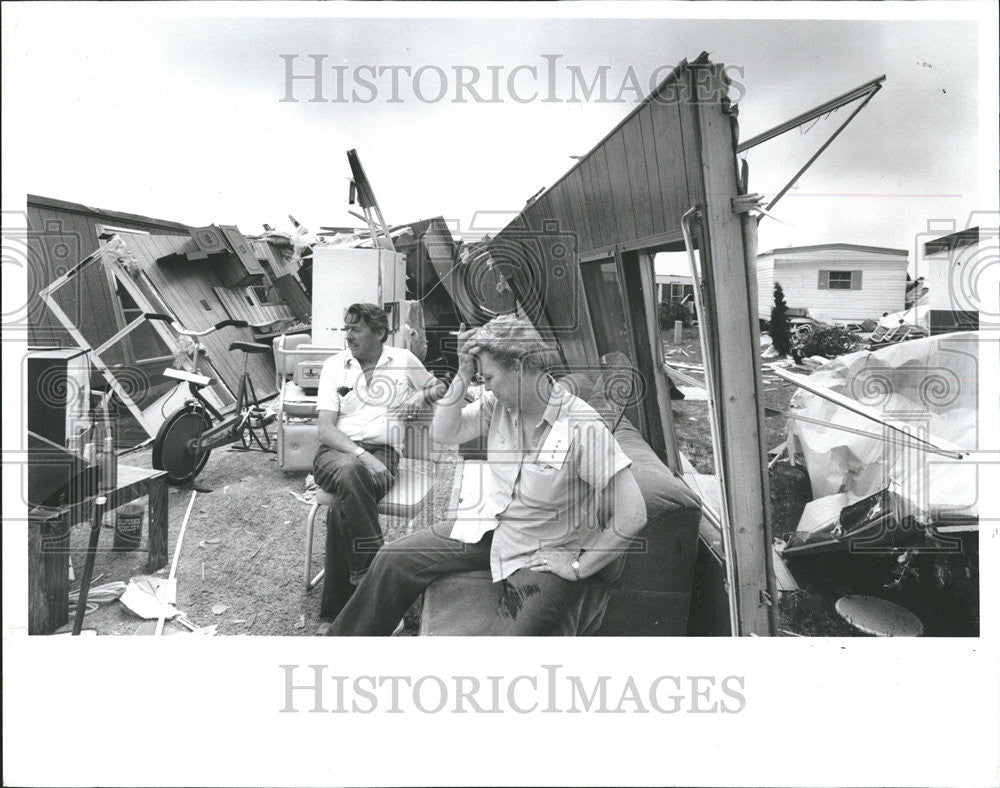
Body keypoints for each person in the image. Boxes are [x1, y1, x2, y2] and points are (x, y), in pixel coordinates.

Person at [328, 314, 648, 636]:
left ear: (521, 368)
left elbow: (633, 514)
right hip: (491, 528)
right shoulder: (498, 406)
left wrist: (579, 567)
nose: (486, 386)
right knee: (392, 559)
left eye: (489, 377)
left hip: (539, 555)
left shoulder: (581, 425)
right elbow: (443, 432)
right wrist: (464, 373)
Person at [313, 303, 443, 627]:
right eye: (346, 328)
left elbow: (438, 385)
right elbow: (326, 429)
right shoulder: (334, 366)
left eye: (355, 329)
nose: (348, 335)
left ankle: (336, 610)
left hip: (385, 454)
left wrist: (419, 396)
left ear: (379, 333)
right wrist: (361, 455)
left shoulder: (401, 360)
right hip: (336, 454)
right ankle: (372, 576)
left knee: (343, 504)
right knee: (351, 473)